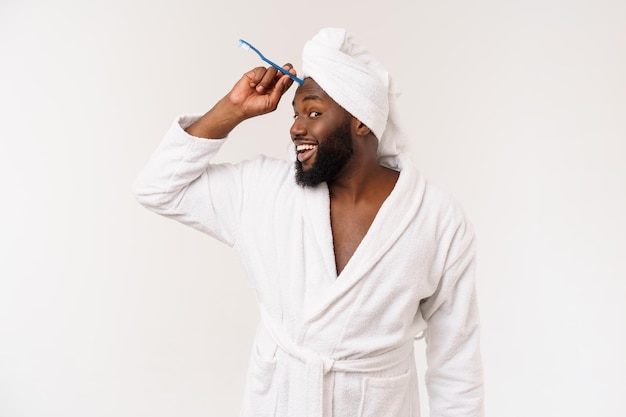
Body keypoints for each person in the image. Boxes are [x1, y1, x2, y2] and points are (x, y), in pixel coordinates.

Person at [133, 27, 484, 417]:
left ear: (362, 121)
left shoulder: (436, 219)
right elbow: (156, 187)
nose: (296, 127)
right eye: (296, 112)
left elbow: (457, 364)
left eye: (314, 112)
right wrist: (231, 109)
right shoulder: (264, 191)